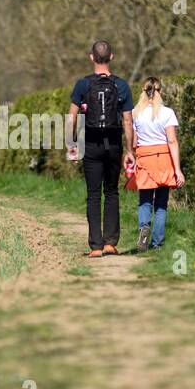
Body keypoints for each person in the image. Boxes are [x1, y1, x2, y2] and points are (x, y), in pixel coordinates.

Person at [67, 40, 134, 258]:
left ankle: (95, 246)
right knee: (112, 192)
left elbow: (72, 118)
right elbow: (127, 121)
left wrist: (72, 145)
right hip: (113, 144)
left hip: (92, 144)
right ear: (111, 57)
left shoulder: (83, 85)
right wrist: (129, 150)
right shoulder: (122, 86)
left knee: (94, 194)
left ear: (91, 58)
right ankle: (110, 243)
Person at [128, 76, 184, 251]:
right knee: (161, 204)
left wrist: (131, 156)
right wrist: (178, 170)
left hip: (144, 158)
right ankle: (157, 243)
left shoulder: (135, 113)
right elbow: (172, 141)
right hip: (164, 160)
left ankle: (144, 227)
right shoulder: (167, 113)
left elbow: (135, 142)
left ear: (143, 92)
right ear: (160, 92)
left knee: (145, 201)